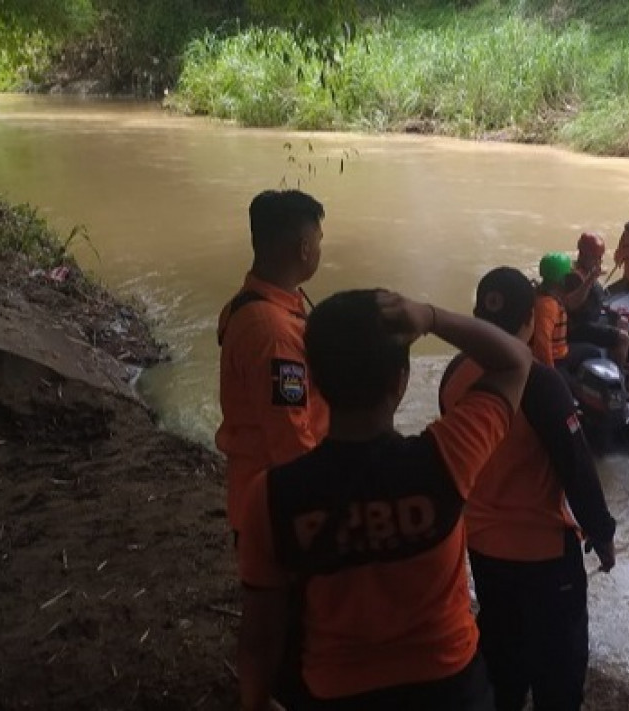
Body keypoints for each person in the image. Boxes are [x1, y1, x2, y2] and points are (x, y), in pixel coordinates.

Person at [235, 288, 533, 711]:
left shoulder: (269, 495)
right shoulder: (448, 457)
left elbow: (260, 634)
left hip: (337, 692)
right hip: (449, 688)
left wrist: (253, 704)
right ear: (401, 381)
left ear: (314, 382)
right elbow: (515, 360)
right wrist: (431, 317)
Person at [441, 266, 618, 711]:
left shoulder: (454, 374)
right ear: (528, 321)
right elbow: (577, 467)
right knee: (559, 670)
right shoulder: (540, 383)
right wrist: (603, 534)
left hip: (482, 547)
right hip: (543, 556)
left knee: (502, 654)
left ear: (477, 314)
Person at [216, 189, 329, 539]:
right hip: (281, 507)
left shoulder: (247, 304)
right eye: (318, 240)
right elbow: (290, 436)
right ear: (303, 248)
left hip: (260, 490)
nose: (319, 249)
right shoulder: (273, 333)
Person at [564, 232, 629, 367]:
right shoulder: (573, 276)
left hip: (593, 318)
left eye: (600, 258)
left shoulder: (588, 270)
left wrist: (610, 311)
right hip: (579, 327)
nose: (599, 261)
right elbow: (573, 305)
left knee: (623, 321)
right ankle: (619, 373)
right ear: (583, 255)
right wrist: (591, 279)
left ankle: (614, 361)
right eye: (595, 258)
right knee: (623, 338)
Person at [534, 252, 601, 373]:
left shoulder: (549, 294)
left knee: (593, 351)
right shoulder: (548, 305)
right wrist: (551, 373)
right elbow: (542, 343)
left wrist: (590, 279)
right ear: (561, 279)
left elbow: (570, 303)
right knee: (595, 355)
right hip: (556, 359)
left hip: (561, 351)